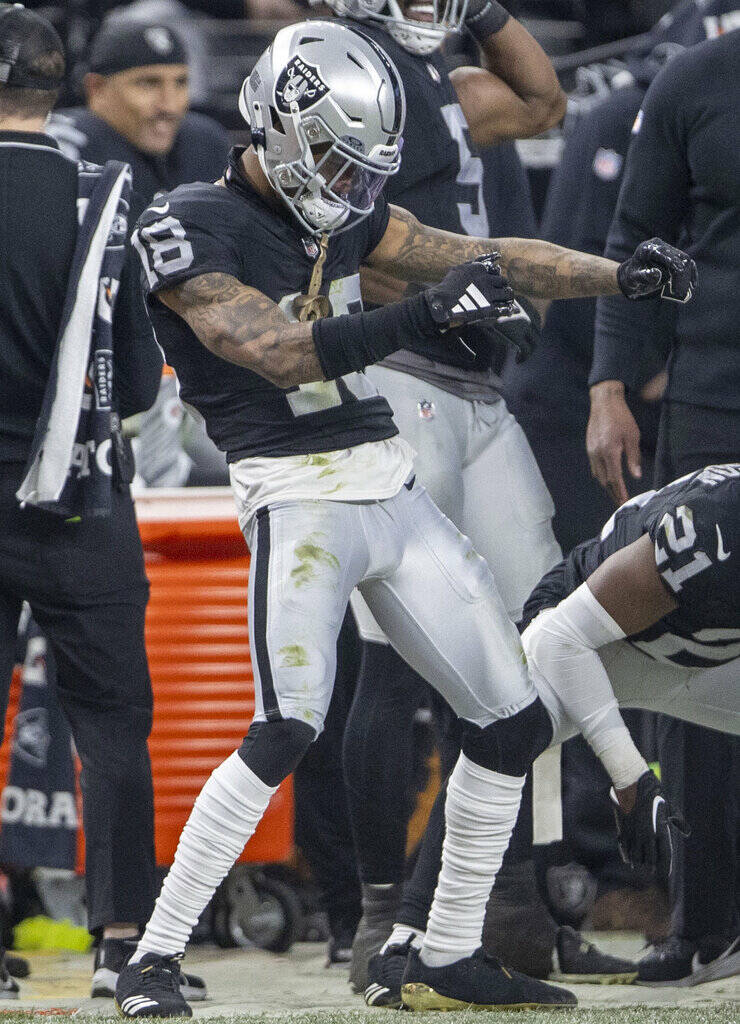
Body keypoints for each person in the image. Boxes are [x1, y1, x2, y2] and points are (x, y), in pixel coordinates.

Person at [114, 20, 695, 1016]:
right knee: (286, 724)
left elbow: (481, 252)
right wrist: (421, 317)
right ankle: (152, 956)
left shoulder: (330, 217)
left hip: (388, 480)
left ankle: (441, 949)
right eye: (335, 161)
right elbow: (273, 349)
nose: (346, 188)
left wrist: (619, 274)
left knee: (509, 720)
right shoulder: (186, 221)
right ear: (285, 124)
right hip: (297, 496)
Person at [0, 1, 166, 1002]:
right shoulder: (107, 191)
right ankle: (123, 949)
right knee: (112, 726)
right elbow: (137, 385)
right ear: (63, 90)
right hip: (81, 497)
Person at [588, 29, 739, 985]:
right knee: (699, 656)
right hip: (717, 397)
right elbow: (634, 238)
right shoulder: (698, 77)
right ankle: (706, 916)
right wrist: (608, 382)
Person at [48, 18, 229, 199]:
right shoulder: (66, 144)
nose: (170, 106)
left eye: (180, 82)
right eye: (149, 84)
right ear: (97, 89)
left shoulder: (208, 143)